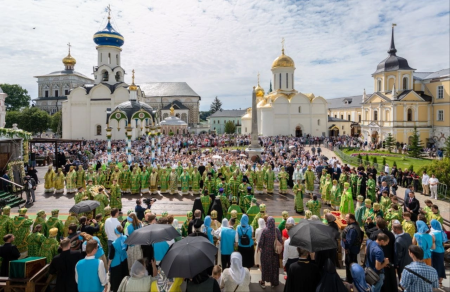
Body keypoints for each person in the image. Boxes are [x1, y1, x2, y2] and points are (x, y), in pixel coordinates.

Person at [258, 216, 282, 288]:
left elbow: (261, 242)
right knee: (274, 267)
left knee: (265, 267)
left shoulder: (265, 230)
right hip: (274, 253)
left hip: (265, 253)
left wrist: (259, 248)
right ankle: (273, 283)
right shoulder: (276, 230)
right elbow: (280, 240)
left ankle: (263, 282)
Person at [341, 213, 362, 283]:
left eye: (347, 219)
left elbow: (349, 241)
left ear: (351, 219)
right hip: (353, 250)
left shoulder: (352, 229)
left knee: (350, 265)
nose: (345, 220)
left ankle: (349, 280)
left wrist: (346, 248)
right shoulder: (355, 226)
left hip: (351, 251)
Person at [108, 225, 129, 292]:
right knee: (124, 276)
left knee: (116, 280)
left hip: (116, 263)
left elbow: (111, 256)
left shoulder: (114, 243)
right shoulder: (126, 237)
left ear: (115, 232)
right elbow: (126, 248)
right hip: (124, 259)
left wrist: (108, 265)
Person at [430, 219, 447, 287]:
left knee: (434, 267)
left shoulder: (432, 233)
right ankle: (440, 282)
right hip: (441, 251)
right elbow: (444, 242)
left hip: (434, 252)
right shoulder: (442, 232)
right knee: (441, 266)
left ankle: (435, 282)